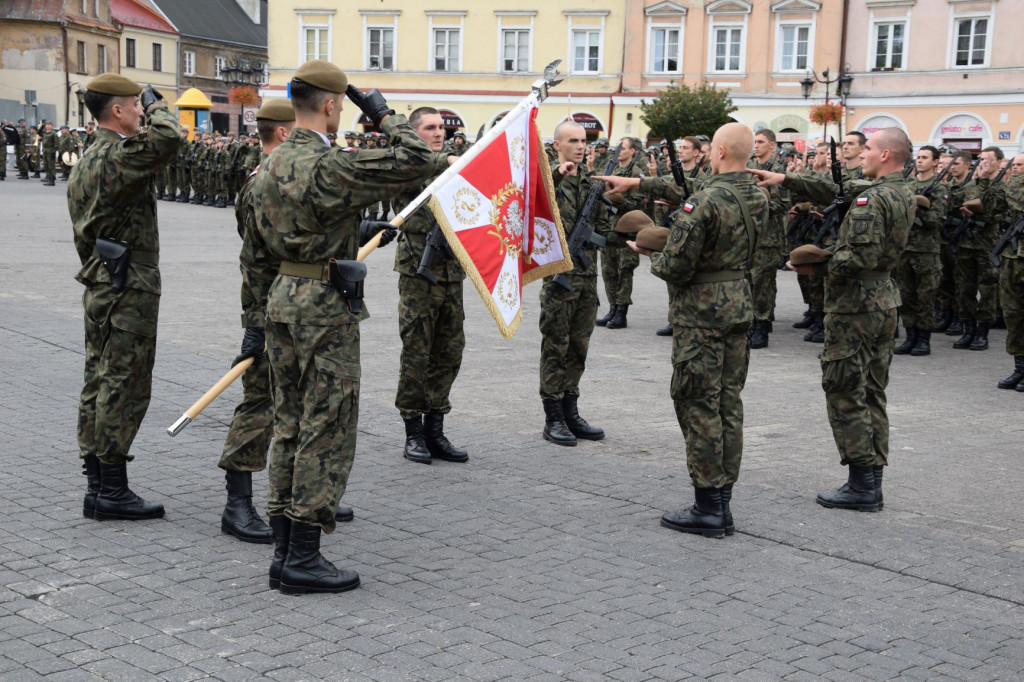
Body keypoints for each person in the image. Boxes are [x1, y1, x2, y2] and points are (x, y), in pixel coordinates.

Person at [249, 60, 451, 594]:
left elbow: (259, 248)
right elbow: (421, 158)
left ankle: (283, 546)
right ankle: (305, 555)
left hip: (283, 297)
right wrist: (382, 114)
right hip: (324, 304)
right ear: (334, 105)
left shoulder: (267, 166)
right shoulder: (329, 164)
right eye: (346, 105)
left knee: (290, 422)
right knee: (328, 426)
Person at [749, 127, 915, 512]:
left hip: (855, 306)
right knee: (872, 390)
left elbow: (857, 258)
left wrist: (816, 262)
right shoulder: (901, 190)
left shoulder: (870, 202)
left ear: (886, 154)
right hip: (883, 301)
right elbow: (836, 188)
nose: (863, 155)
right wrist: (786, 177)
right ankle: (871, 479)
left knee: (845, 390)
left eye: (869, 148)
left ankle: (861, 485)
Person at [625, 123, 767, 537]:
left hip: (702, 313)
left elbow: (676, 266)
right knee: (727, 402)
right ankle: (722, 501)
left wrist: (648, 251)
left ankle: (708, 506)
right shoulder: (758, 195)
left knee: (697, 402)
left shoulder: (703, 202)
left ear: (718, 151)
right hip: (740, 303)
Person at [68, 73, 180, 521]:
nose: (141, 111)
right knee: (125, 381)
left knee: (99, 375)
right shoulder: (117, 154)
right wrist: (158, 104)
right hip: (126, 285)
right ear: (117, 111)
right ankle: (111, 487)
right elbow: (168, 139)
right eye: (135, 104)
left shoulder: (89, 157)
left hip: (102, 281)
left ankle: (97, 481)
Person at [391, 107, 470, 465]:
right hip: (418, 272)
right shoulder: (407, 164)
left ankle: (436, 428)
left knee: (449, 351)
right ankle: (413, 431)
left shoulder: (456, 164)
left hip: (452, 271)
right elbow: (425, 166)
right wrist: (450, 159)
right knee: (417, 352)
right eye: (430, 128)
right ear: (414, 133)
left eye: (442, 127)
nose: (439, 132)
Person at [538, 121, 609, 446]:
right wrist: (556, 173)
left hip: (586, 279)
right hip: (558, 281)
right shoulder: (547, 179)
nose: (581, 146)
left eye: (584, 141)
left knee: (579, 347)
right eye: (573, 141)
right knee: (556, 347)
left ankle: (571, 411)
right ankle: (553, 417)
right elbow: (528, 202)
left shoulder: (592, 183)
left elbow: (605, 230)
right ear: (557, 145)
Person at [893, 145, 947, 356]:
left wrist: (918, 211)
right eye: (919, 157)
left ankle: (924, 339)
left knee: (925, 297)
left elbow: (937, 219)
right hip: (905, 249)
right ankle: (910, 336)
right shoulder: (909, 185)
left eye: (925, 157)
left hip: (926, 251)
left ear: (935, 162)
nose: (920, 161)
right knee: (905, 296)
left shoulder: (939, 188)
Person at [954, 146, 1008, 351]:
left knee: (987, 289)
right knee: (965, 288)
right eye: (982, 158)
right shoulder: (972, 185)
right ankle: (968, 329)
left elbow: (1000, 210)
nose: (983, 162)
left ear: (998, 162)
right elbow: (957, 203)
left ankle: (982, 332)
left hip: (988, 244)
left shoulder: (1002, 186)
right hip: (967, 243)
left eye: (988, 159)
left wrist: (986, 214)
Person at [596, 137, 646, 329]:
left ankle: (621, 312)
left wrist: (618, 199)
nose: (618, 151)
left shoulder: (636, 174)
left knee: (624, 270)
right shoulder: (612, 171)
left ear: (633, 151)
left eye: (622, 148)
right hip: (609, 228)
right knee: (608, 270)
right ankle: (612, 308)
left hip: (627, 229)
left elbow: (639, 206)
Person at [746, 128, 788, 349]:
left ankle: (762, 325)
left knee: (763, 282)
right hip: (750, 235)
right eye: (755, 142)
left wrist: (758, 206)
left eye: (761, 142)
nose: (756, 145)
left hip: (768, 237)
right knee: (749, 280)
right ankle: (750, 322)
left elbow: (783, 204)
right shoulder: (749, 170)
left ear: (772, 145)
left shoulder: (778, 171)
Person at [996, 154, 1024, 390]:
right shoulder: (1010, 186)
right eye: (1013, 165)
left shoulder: (1014, 187)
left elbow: (1017, 199)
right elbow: (992, 206)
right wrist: (986, 179)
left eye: (1019, 166)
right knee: (1013, 315)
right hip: (1012, 258)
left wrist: (1011, 181)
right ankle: (1020, 369)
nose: (1015, 170)